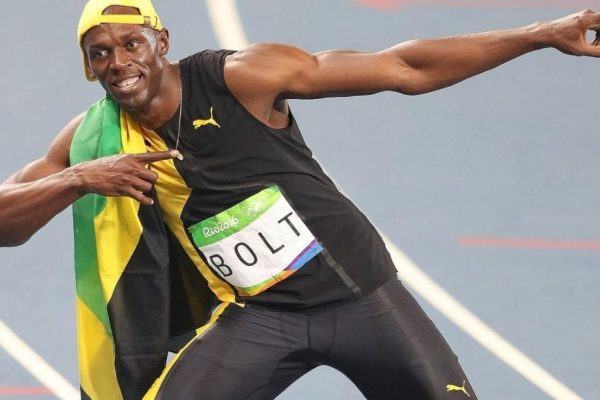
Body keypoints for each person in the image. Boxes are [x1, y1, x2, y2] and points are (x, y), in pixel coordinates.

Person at [1, 0, 600, 398]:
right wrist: (78, 179)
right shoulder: (93, 140)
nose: (119, 63)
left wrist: (539, 34)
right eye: (100, 53)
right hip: (260, 315)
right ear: (88, 68)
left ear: (161, 41)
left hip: (364, 299)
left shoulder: (241, 76)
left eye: (131, 44)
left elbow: (404, 68)